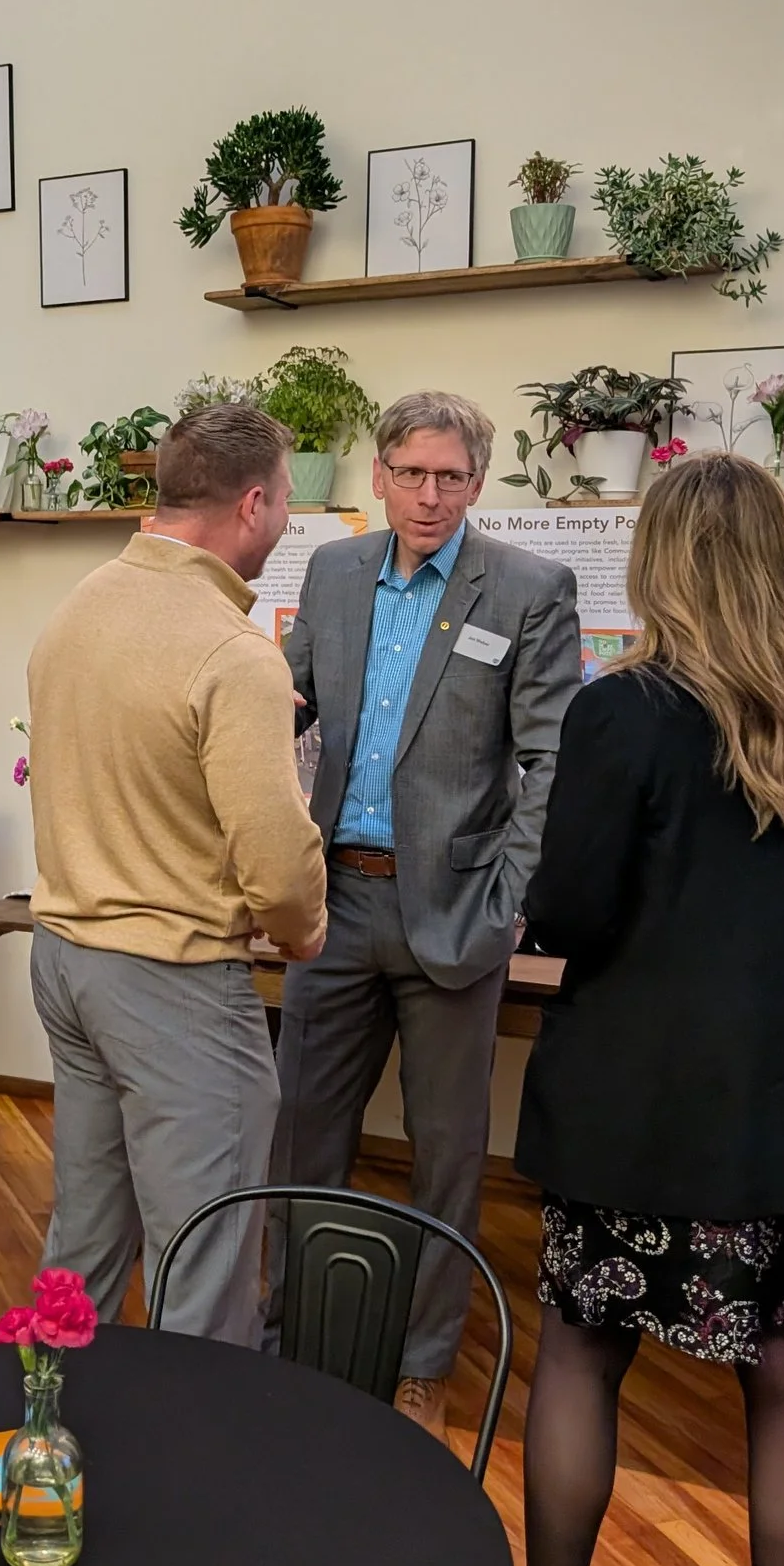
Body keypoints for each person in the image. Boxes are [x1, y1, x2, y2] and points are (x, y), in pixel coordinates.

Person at [515, 452, 784, 1566]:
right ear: (780, 563)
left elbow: (571, 909)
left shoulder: (620, 710)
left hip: (637, 1096)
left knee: (584, 1350)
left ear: (657, 563)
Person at [271, 390, 580, 1437]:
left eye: (450, 476)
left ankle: (422, 1362)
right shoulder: (330, 572)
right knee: (303, 1136)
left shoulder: (529, 588)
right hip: (334, 905)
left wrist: (510, 899)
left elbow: (551, 757)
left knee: (447, 1157)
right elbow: (281, 712)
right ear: (378, 475)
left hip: (454, 916)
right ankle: (292, 1342)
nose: (429, 494)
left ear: (477, 482)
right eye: (410, 472)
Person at [25, 404, 326, 1344]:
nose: (282, 523)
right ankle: (197, 1471)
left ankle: (49, 1433)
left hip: (65, 957)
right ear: (251, 503)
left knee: (84, 1234)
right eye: (283, 504)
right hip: (172, 982)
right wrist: (303, 929)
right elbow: (276, 866)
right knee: (205, 1257)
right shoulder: (235, 654)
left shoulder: (76, 609)